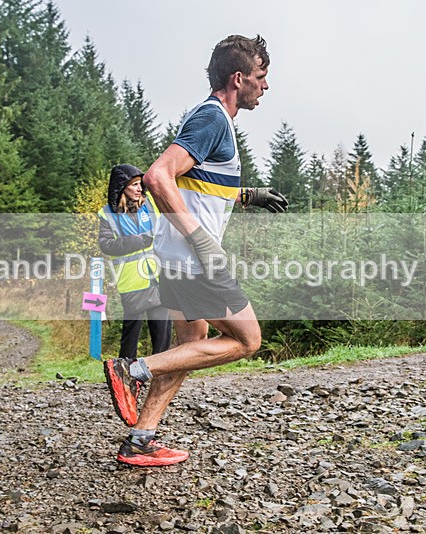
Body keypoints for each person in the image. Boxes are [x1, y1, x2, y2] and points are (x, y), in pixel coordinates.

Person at [103, 34, 289, 467]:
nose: (265, 86)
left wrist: (246, 196)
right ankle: (130, 370)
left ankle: (141, 438)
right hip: (194, 258)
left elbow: (198, 185)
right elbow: (158, 176)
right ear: (238, 78)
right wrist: (201, 239)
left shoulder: (213, 122)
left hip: (175, 257)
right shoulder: (212, 119)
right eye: (261, 77)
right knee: (247, 339)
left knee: (193, 342)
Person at [98, 164, 172, 361]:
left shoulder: (150, 206)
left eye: (141, 185)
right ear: (122, 187)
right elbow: (106, 245)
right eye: (134, 185)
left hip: (158, 278)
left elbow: (164, 231)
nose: (140, 189)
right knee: (130, 337)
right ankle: (125, 375)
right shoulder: (107, 214)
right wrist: (139, 241)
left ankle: (161, 374)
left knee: (162, 334)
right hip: (132, 282)